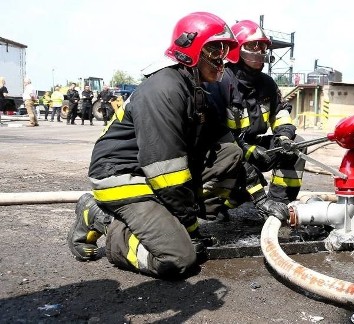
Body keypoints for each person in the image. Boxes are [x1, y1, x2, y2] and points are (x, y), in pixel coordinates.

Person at [67, 12, 247, 279]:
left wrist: (253, 161)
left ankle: (167, 223)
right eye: (214, 49)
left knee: (230, 153)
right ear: (190, 50)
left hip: (149, 172)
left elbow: (216, 144)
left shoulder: (195, 87)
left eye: (223, 50)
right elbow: (167, 171)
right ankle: (99, 217)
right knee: (178, 259)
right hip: (121, 175)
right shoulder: (165, 88)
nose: (221, 59)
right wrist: (189, 225)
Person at [205, 20, 304, 221]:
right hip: (224, 149)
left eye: (263, 47)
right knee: (247, 176)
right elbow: (214, 132)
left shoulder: (267, 84)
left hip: (253, 146)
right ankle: (215, 208)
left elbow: (281, 114)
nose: (259, 52)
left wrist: (284, 138)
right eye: (253, 46)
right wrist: (246, 150)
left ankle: (278, 205)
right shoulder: (221, 81)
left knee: (297, 146)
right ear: (237, 50)